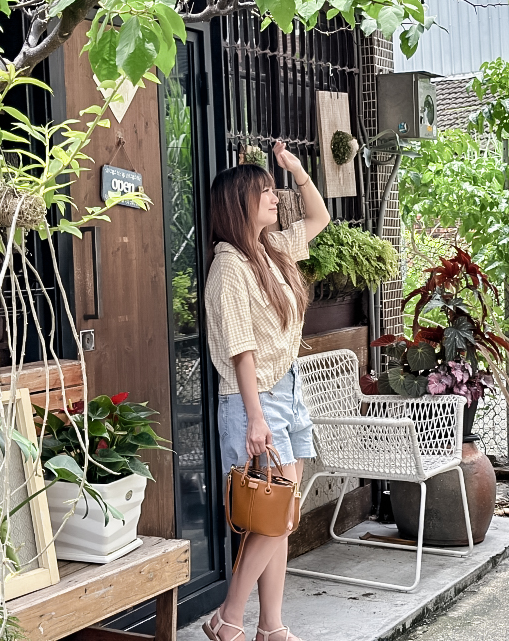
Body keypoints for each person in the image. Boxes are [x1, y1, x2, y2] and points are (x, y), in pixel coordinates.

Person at [202, 141, 331, 641]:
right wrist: (256, 418)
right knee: (271, 515)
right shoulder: (229, 266)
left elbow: (318, 218)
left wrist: (296, 170)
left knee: (282, 515)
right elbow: (241, 349)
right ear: (239, 204)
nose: (275, 197)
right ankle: (228, 618)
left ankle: (271, 625)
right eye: (264, 192)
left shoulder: (270, 250)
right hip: (254, 398)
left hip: (287, 392)